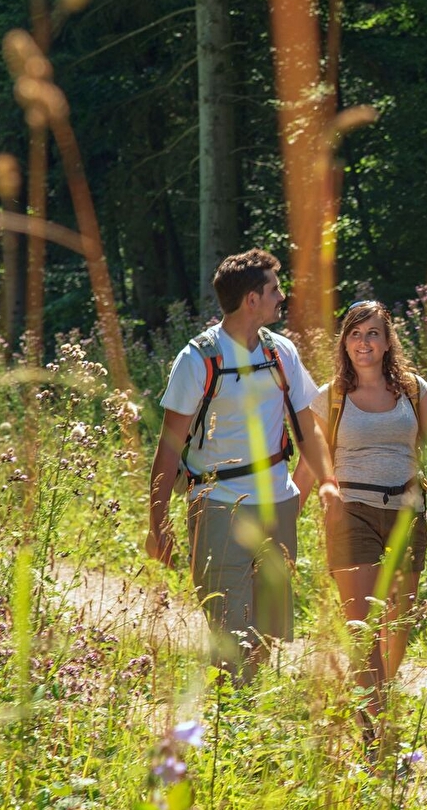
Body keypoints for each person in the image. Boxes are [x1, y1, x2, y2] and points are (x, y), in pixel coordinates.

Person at [146, 248, 341, 681]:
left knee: (268, 631)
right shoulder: (198, 359)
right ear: (252, 299)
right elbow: (168, 448)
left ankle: (242, 704)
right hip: (217, 506)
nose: (282, 296)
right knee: (231, 632)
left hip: (277, 504)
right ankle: (230, 710)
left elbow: (307, 428)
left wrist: (327, 481)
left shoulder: (281, 352)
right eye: (274, 289)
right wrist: (157, 524)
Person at [297, 299, 427, 744]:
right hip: (351, 512)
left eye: (372, 333)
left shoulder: (413, 390)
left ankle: (372, 705)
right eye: (355, 333)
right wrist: (285, 519)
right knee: (364, 628)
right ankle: (376, 732)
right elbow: (309, 463)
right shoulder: (330, 396)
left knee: (397, 629)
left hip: (407, 512)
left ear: (388, 342)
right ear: (344, 343)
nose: (363, 342)